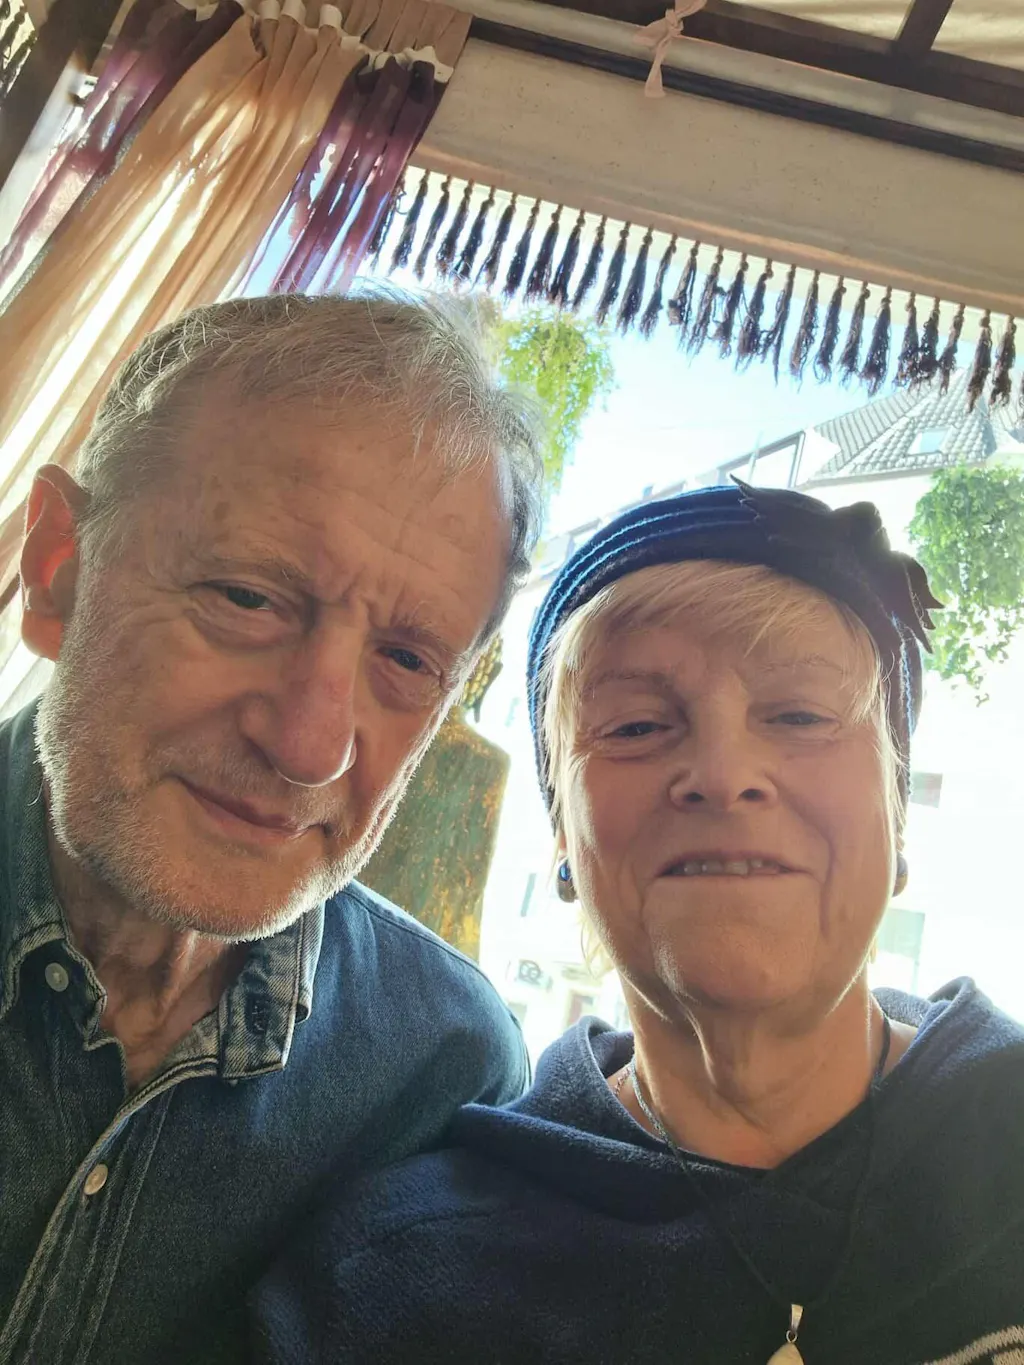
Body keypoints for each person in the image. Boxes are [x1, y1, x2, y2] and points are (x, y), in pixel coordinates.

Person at [251, 481, 1024, 1365]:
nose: (723, 774)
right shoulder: (386, 1286)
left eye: (801, 714)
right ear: (564, 843)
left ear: (898, 817)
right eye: (636, 725)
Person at [0, 291, 543, 1365]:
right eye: (246, 597)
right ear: (59, 569)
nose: (310, 745)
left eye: (406, 660)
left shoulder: (445, 1076)